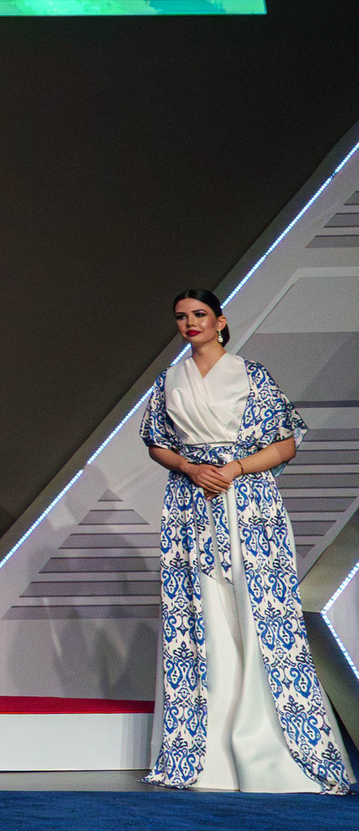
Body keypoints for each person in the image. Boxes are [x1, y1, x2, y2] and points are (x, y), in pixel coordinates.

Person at [143, 289, 353, 794]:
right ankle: (204, 751)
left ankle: (274, 747)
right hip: (190, 505)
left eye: (199, 315)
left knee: (259, 612)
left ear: (220, 320)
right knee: (202, 613)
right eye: (181, 317)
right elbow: (156, 442)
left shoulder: (251, 374)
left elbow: (286, 440)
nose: (190, 323)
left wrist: (234, 467)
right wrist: (192, 467)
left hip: (250, 503)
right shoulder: (168, 380)